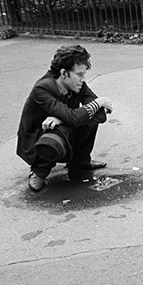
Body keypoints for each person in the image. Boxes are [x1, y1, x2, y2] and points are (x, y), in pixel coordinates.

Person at [17, 45, 114, 191]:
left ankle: (80, 162)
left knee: (86, 117)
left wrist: (64, 118)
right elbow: (80, 115)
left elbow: (100, 115)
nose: (83, 79)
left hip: (63, 129)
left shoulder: (78, 85)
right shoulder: (42, 88)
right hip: (37, 139)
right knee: (61, 126)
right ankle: (39, 172)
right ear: (63, 73)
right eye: (79, 74)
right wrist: (100, 101)